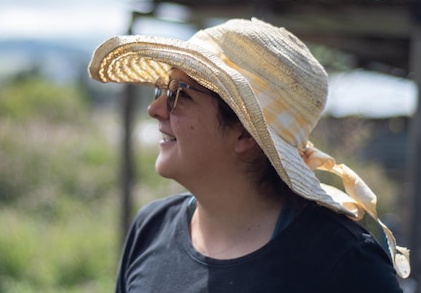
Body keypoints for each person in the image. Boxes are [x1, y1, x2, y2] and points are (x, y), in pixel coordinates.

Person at [88, 18, 410, 293]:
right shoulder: (150, 229)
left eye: (179, 95)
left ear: (244, 132)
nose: (154, 109)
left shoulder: (345, 264)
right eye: (162, 89)